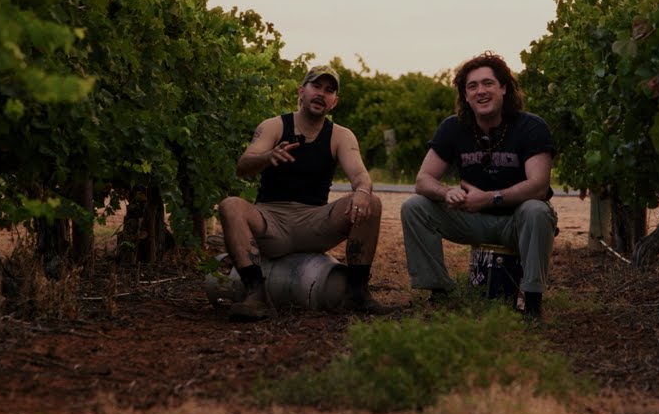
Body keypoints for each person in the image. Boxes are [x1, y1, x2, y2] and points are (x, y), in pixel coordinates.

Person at [220, 66, 390, 321]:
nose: (321, 93)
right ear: (301, 91)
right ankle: (256, 295)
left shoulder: (341, 135)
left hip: (314, 223)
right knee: (230, 205)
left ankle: (357, 294)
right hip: (271, 221)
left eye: (329, 90)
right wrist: (268, 156)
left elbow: (359, 174)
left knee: (372, 202)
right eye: (316, 86)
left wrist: (363, 191)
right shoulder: (274, 126)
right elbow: (243, 166)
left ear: (334, 102)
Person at [400, 51, 557, 320]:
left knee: (537, 209)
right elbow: (423, 180)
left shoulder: (531, 126)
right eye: (472, 86)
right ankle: (440, 291)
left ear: (504, 88)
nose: (480, 91)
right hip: (472, 220)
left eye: (488, 83)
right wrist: (447, 192)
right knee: (414, 207)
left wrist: (490, 197)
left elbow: (539, 186)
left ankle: (531, 301)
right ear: (465, 95)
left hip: (517, 222)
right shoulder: (453, 127)